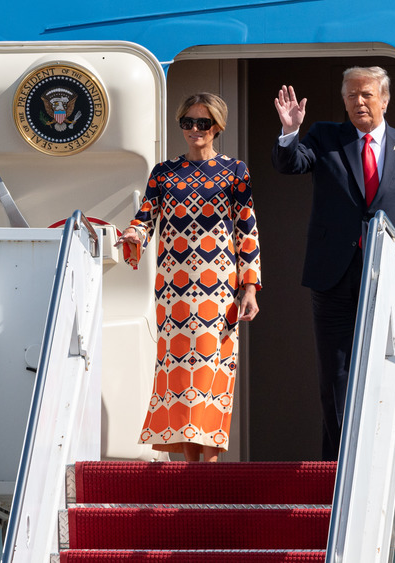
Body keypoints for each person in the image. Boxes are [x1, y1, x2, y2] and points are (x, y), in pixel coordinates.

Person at [271, 66, 395, 461]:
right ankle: (338, 461)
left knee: (388, 365)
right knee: (336, 373)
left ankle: (382, 453)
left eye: (366, 94)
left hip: (390, 279)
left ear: (384, 99)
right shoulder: (325, 137)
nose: (358, 102)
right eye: (351, 95)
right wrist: (289, 133)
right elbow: (290, 164)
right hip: (333, 276)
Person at [119, 92, 261, 462]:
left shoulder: (235, 171)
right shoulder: (164, 173)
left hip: (219, 287)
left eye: (203, 123)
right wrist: (134, 235)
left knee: (212, 371)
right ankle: (186, 465)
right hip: (174, 288)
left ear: (217, 127)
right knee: (178, 373)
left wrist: (250, 287)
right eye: (188, 123)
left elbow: (247, 231)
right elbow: (145, 219)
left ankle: (208, 464)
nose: (195, 130)